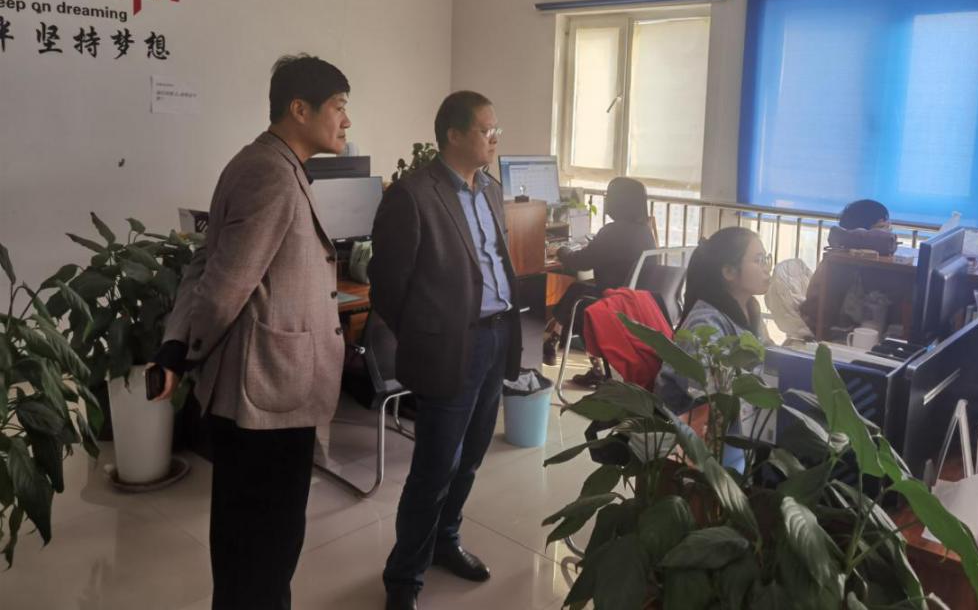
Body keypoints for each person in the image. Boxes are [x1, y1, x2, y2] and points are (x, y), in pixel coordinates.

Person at [152, 54, 352, 610]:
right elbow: (224, 286)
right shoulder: (271, 174)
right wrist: (185, 354)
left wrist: (176, 344)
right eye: (338, 107)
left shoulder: (264, 161)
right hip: (268, 393)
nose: (346, 120)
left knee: (250, 543)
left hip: (267, 389)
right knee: (265, 548)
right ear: (299, 109)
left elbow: (205, 262)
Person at [369, 91, 522, 610]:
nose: (495, 139)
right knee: (435, 467)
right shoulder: (413, 195)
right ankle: (404, 577)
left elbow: (493, 262)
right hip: (451, 346)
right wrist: (429, 333)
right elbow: (387, 286)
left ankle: (445, 541)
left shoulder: (491, 190)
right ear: (453, 135)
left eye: (496, 129)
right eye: (486, 130)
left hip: (496, 336)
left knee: (472, 457)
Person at [542, 177, 655, 379]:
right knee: (578, 290)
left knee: (579, 301)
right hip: (635, 302)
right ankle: (557, 340)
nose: (606, 199)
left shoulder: (613, 232)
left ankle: (555, 340)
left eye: (608, 195)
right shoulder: (645, 232)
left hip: (613, 301)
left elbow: (580, 262)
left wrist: (560, 250)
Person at [654, 226, 772, 417]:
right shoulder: (705, 324)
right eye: (759, 260)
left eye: (766, 259)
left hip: (739, 417)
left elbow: (768, 359)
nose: (767, 268)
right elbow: (710, 393)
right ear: (729, 272)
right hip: (689, 427)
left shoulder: (750, 309)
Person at [799, 199, 898, 336]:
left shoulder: (848, 252)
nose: (889, 229)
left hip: (826, 322)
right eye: (884, 225)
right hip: (824, 327)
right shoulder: (847, 261)